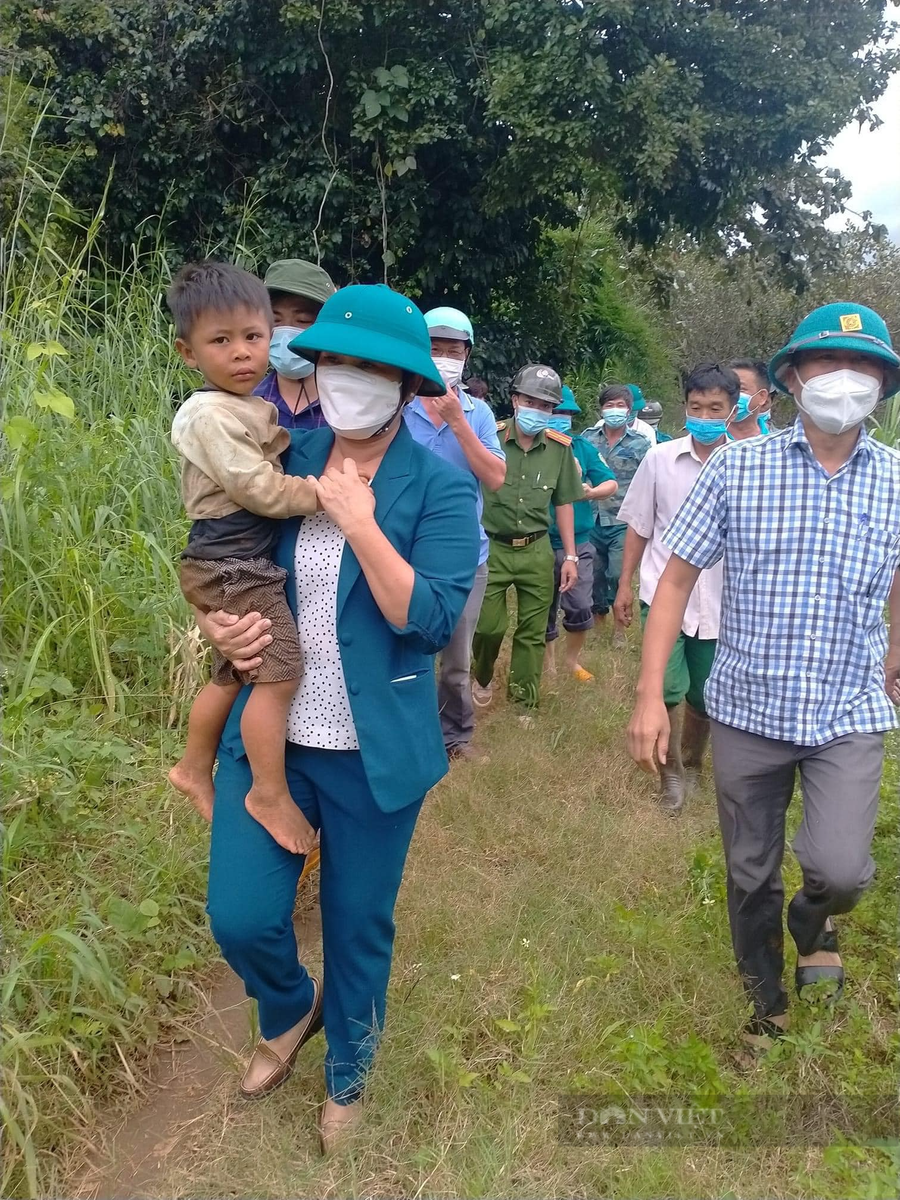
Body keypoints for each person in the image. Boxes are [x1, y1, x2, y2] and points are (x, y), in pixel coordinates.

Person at [194, 284, 479, 1147]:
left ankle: (347, 1073)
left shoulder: (440, 487)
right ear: (313, 369)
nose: (349, 380)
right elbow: (225, 557)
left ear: (405, 382)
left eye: (372, 367)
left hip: (373, 753)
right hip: (272, 733)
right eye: (334, 362)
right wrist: (217, 620)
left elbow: (425, 620)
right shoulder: (287, 454)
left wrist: (361, 524)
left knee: (358, 924)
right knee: (239, 914)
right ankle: (287, 1007)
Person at [627, 302, 900, 1049]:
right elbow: (674, 580)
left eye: (865, 366)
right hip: (748, 708)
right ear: (791, 377)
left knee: (841, 866)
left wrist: (896, 647)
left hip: (847, 706)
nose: (845, 380)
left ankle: (817, 918)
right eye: (827, 364)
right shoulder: (739, 470)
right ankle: (766, 1000)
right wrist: (651, 695)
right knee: (750, 872)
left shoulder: (896, 480)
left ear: (883, 383)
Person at [165, 262, 319, 852]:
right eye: (220, 341)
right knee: (279, 673)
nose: (243, 353)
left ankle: (192, 765)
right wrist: (321, 493)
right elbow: (259, 488)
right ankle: (268, 791)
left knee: (234, 672)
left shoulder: (244, 404)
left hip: (232, 557)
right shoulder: (210, 413)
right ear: (188, 352)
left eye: (253, 337)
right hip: (233, 559)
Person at [614, 363, 735, 812]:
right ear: (685, 407)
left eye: (714, 407)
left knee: (706, 693)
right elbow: (640, 527)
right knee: (665, 686)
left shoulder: (747, 463)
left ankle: (693, 761)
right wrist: (624, 584)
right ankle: (671, 778)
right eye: (696, 406)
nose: (704, 414)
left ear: (731, 409)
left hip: (723, 604)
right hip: (663, 595)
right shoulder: (660, 460)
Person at [404, 307, 506, 758]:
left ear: (466, 357)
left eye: (453, 351)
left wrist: (459, 422)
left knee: (456, 662)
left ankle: (455, 736)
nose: (444, 358)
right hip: (403, 549)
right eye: (435, 349)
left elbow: (496, 476)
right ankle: (406, 732)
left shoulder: (478, 412)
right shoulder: (399, 404)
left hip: (467, 557)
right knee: (405, 651)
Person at [472, 365, 583, 710]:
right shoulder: (490, 436)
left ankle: (523, 700)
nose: (539, 411)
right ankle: (483, 674)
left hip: (536, 549)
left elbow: (563, 502)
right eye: (532, 402)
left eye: (547, 406)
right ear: (516, 399)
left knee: (533, 631)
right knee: (488, 626)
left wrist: (570, 555)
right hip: (492, 546)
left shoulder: (559, 448)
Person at [545, 386, 617, 681]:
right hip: (541, 540)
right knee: (542, 608)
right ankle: (547, 666)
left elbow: (609, 482)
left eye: (566, 414)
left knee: (580, 605)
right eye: (555, 412)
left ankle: (571, 661)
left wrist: (589, 492)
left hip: (579, 541)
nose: (560, 418)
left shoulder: (582, 448)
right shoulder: (528, 447)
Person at [583, 385, 652, 647]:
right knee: (594, 575)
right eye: (609, 405)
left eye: (620, 405)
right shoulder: (588, 439)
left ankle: (620, 631)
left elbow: (648, 481)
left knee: (618, 575)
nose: (614, 410)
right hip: (592, 519)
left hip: (623, 521)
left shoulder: (640, 443)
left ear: (629, 409)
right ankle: (598, 628)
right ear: (601, 408)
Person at [254, 259, 337, 429]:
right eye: (275, 320)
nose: (286, 335)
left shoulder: (349, 408)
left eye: (303, 320)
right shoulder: (249, 404)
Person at [727, 358, 773, 439]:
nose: (732, 394)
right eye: (728, 387)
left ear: (762, 396)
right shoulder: (708, 438)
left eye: (741, 389)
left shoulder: (775, 443)